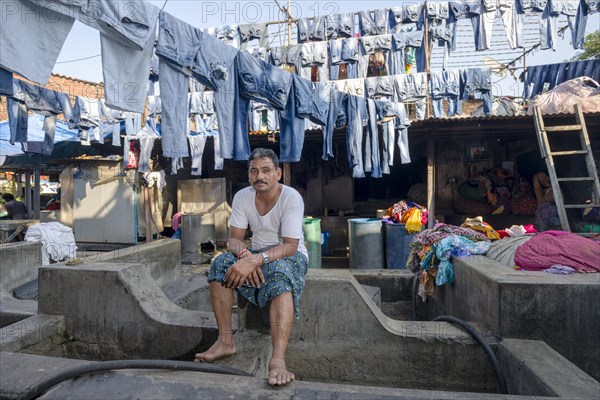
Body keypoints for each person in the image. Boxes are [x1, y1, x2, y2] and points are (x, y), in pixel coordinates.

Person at [195, 148, 308, 386]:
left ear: (278, 173)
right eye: (254, 171)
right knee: (221, 265)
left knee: (279, 274)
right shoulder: (242, 196)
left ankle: (277, 359)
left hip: (290, 254)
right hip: (254, 253)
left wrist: (255, 261)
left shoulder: (291, 197)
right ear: (248, 175)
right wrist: (246, 255)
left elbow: (289, 246)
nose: (260, 176)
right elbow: (234, 239)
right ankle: (226, 340)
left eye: (266, 170)